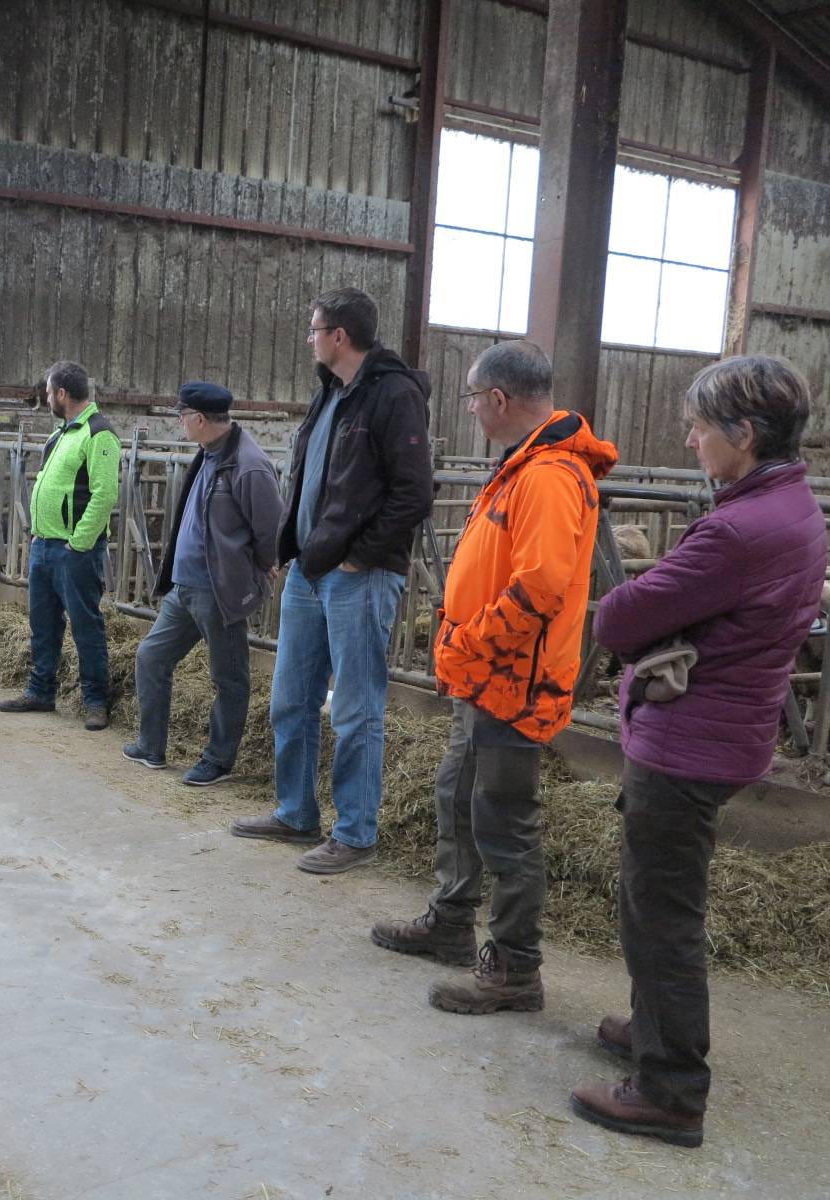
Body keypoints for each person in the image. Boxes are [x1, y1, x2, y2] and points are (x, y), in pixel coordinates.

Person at [569, 356, 824, 1148]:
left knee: (661, 915)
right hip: (725, 731)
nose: (689, 440)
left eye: (700, 428)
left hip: (691, 743)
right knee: (663, 900)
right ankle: (655, 1029)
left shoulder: (738, 530)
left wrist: (624, 605)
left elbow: (617, 620)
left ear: (744, 435)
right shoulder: (792, 508)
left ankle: (670, 1088)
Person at [370, 341, 616, 1015]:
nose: (473, 410)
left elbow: (539, 586)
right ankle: (452, 921)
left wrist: (473, 642)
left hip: (511, 680)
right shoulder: (524, 467)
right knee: (458, 797)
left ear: (499, 399)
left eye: (473, 399)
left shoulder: (547, 475)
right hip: (487, 679)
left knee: (505, 821)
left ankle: (514, 968)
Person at [232, 288, 434, 873]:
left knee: (355, 709)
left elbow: (414, 494)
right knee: (290, 699)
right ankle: (296, 813)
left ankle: (356, 832)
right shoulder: (331, 394)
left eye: (314, 329)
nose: (310, 339)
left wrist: (362, 556)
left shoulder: (393, 395)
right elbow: (313, 481)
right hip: (311, 572)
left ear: (340, 336)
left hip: (359, 577)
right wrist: (289, 548)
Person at [122, 381, 283, 785]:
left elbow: (270, 529)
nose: (179, 422)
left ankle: (219, 759)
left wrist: (263, 565)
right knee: (151, 658)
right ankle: (151, 746)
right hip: (186, 587)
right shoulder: (209, 453)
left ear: (198, 418)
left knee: (228, 676)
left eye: (182, 415)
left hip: (219, 590)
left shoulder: (249, 464)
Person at [0, 360, 122, 731]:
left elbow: (104, 495)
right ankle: (41, 691)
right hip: (45, 546)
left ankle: (96, 700)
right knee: (43, 624)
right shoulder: (61, 433)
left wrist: (79, 543)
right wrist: (39, 533)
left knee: (86, 625)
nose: (47, 398)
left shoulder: (99, 433)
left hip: (74, 551)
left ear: (62, 394)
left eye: (49, 392)